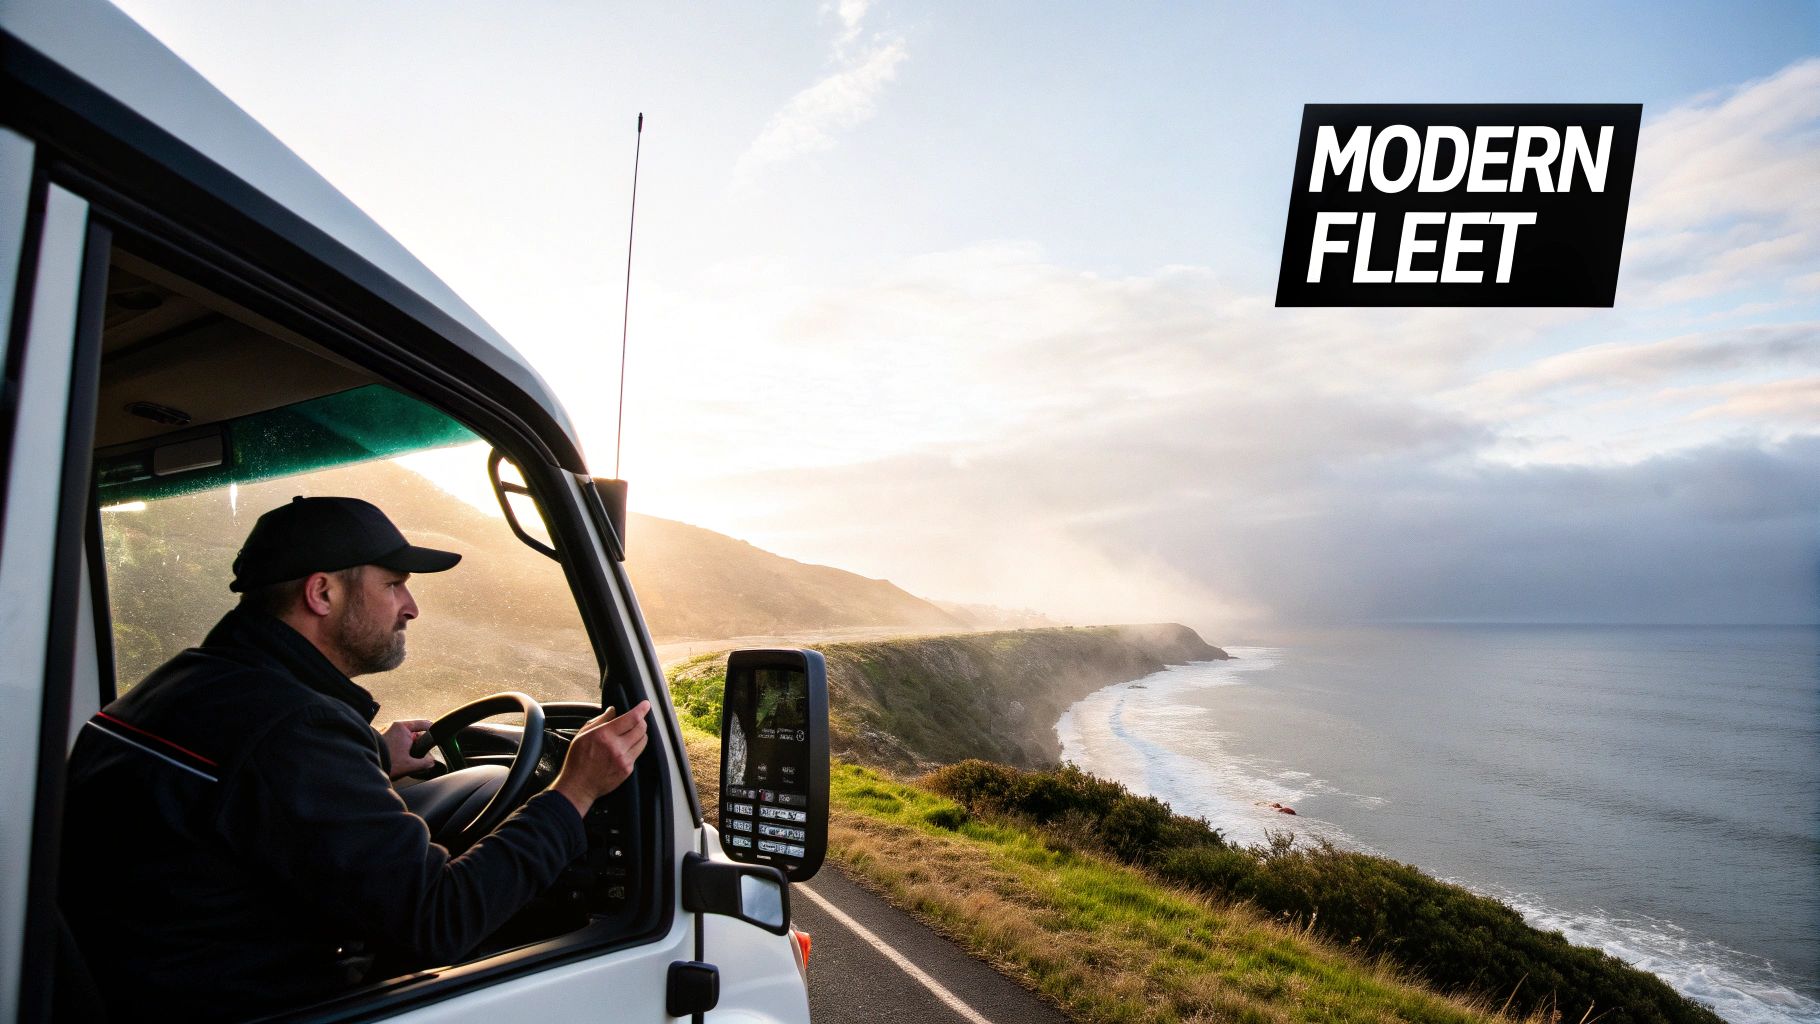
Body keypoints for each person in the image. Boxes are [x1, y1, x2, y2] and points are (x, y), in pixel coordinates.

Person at [59, 496, 650, 1022]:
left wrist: (370, 754)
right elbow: (440, 921)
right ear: (322, 593)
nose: (411, 606)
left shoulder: (183, 684)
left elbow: (247, 782)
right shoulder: (297, 728)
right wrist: (575, 791)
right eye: (393, 584)